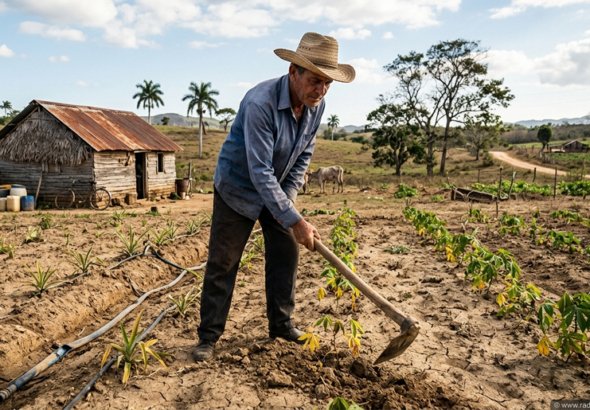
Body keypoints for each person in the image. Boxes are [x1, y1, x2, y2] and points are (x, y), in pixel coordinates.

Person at [193, 32, 355, 362]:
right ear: (293, 71)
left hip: (276, 191)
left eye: (327, 84)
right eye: (315, 81)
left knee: (286, 253)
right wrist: (294, 219)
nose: (321, 90)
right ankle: (208, 337)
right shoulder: (260, 104)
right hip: (237, 188)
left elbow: (303, 155)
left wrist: (288, 203)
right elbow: (259, 170)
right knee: (223, 262)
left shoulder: (316, 105)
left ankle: (281, 325)